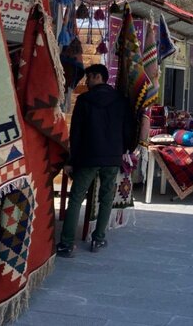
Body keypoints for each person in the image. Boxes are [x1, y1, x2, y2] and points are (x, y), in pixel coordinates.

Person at [57, 64, 132, 257]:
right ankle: (98, 238)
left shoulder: (84, 100)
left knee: (75, 199)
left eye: (89, 78)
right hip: (112, 157)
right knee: (106, 198)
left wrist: (71, 159)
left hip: (88, 157)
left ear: (98, 77)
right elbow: (127, 130)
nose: (86, 82)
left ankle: (66, 244)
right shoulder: (121, 100)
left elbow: (76, 133)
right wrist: (122, 150)